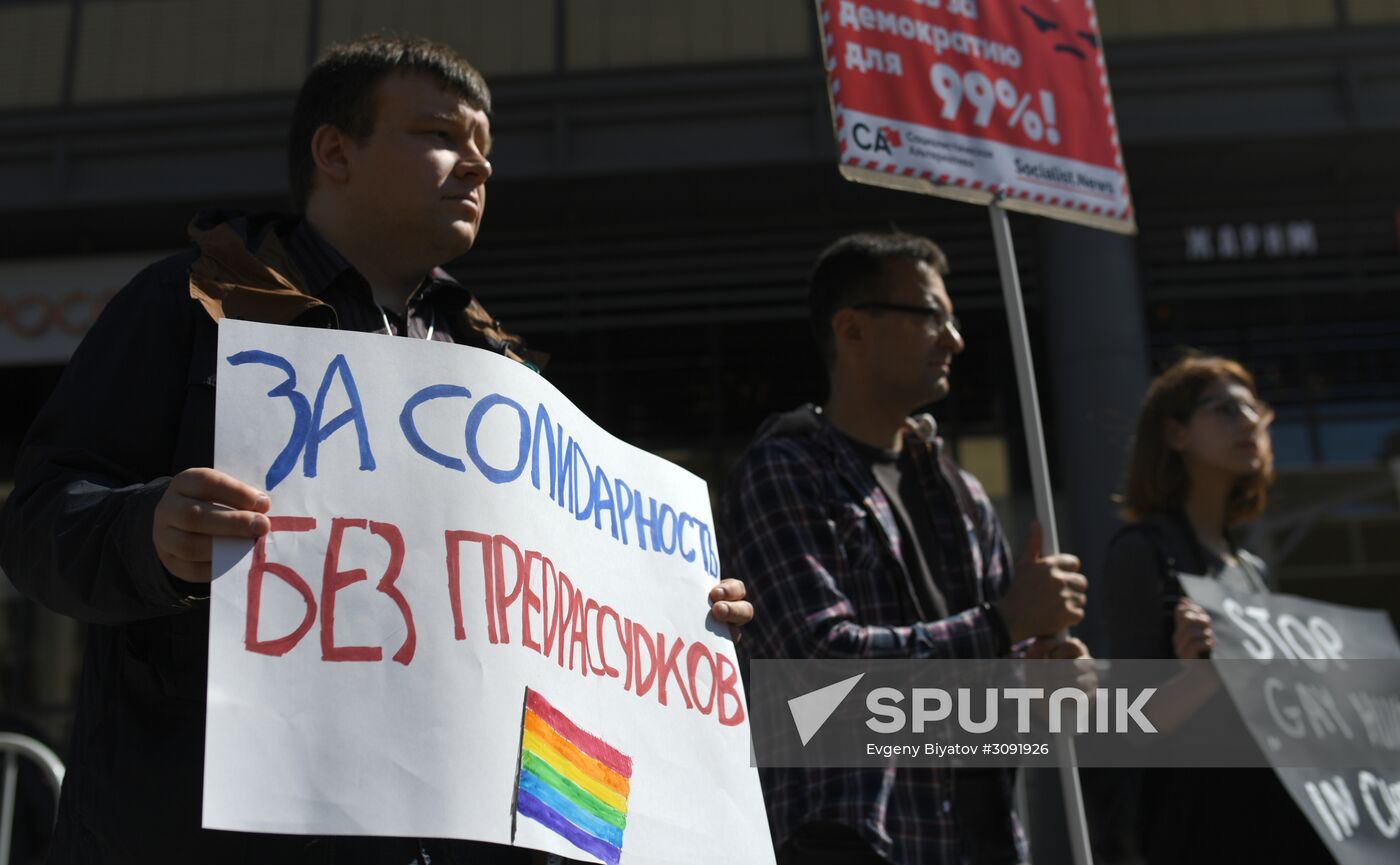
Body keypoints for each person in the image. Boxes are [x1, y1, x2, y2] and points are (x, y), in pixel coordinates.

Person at [0, 35, 752, 865]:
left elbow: (548, 617)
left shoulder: (503, 375)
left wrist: (670, 609)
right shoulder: (193, 304)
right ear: (335, 151)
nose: (477, 167)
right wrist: (149, 532)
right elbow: (38, 518)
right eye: (440, 135)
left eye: (485, 149)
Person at [719, 231, 1089, 865]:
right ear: (853, 330)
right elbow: (817, 678)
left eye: (954, 319)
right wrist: (1004, 623)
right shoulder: (786, 470)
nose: (954, 339)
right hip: (853, 843)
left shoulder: (961, 493)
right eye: (932, 316)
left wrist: (1050, 676)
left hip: (985, 842)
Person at [1101, 353, 1332, 864]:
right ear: (1176, 434)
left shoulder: (1251, 569)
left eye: (1254, 411)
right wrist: (1204, 678)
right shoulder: (1144, 553)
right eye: (1224, 410)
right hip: (1200, 829)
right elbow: (1125, 729)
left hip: (1278, 822)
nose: (1248, 422)